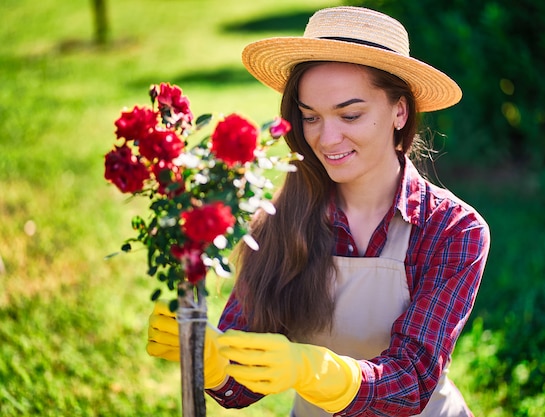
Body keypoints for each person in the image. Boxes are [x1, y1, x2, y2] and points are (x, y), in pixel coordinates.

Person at [147, 6, 490, 417]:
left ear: (400, 111)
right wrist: (215, 360)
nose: (326, 139)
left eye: (350, 114)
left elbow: (412, 381)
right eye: (311, 117)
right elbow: (237, 389)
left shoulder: (452, 229)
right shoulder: (280, 219)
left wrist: (315, 370)